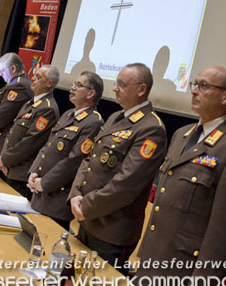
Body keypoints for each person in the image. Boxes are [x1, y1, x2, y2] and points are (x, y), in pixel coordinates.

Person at [136, 65, 226, 286]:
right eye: (194, 84)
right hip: (152, 263)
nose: (194, 91)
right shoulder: (182, 135)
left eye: (203, 86)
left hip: (182, 278)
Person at [69, 63, 167, 273]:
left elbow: (126, 183)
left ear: (141, 89)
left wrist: (86, 206)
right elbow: (89, 159)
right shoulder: (115, 117)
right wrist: (76, 193)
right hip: (86, 219)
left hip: (112, 230)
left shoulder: (151, 128)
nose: (115, 88)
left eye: (121, 84)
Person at [27, 71, 104, 230]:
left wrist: (45, 183)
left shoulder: (93, 122)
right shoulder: (68, 114)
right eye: (73, 84)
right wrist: (34, 172)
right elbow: (47, 147)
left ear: (90, 93)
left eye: (79, 85)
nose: (73, 88)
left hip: (57, 199)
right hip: (39, 191)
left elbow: (74, 161)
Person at [0, 65, 60, 198]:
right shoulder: (31, 103)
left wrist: (5, 159)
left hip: (21, 172)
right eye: (34, 75)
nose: (32, 78)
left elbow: (29, 143)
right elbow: (12, 134)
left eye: (38, 77)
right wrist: (3, 156)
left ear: (49, 83)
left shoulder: (47, 109)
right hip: (9, 166)